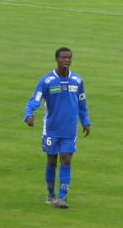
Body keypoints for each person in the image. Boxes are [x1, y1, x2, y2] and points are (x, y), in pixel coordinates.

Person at [23, 47, 92, 209]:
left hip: (69, 130)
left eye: (69, 58)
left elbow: (82, 104)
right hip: (51, 129)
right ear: (56, 59)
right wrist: (29, 114)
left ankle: (62, 198)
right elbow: (35, 99)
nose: (66, 60)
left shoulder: (77, 80)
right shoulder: (47, 81)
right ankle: (50, 194)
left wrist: (86, 121)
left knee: (66, 160)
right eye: (63, 58)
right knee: (52, 160)